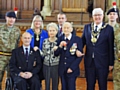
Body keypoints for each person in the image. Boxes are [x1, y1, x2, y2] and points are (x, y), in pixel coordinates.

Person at [81, 8, 114, 90]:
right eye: (95, 15)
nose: (97, 17)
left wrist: (111, 63)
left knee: (102, 85)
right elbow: (82, 42)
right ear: (92, 16)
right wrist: (76, 49)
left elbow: (110, 46)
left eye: (99, 15)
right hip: (89, 62)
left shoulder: (109, 29)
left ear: (103, 16)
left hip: (103, 62)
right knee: (90, 85)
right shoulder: (87, 27)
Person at [53, 22, 83, 90]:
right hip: (62, 68)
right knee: (64, 87)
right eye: (64, 28)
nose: (66, 29)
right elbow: (56, 54)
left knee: (71, 87)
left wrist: (72, 68)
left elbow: (80, 56)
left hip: (72, 69)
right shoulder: (60, 38)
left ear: (71, 29)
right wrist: (60, 46)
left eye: (68, 28)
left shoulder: (77, 39)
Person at [0, 11, 21, 89]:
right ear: (6, 18)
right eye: (9, 18)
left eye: (13, 18)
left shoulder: (17, 31)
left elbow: (18, 44)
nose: (11, 20)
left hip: (12, 57)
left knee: (10, 79)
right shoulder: (0, 29)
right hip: (1, 56)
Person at [26, 15, 48, 87]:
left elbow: (46, 44)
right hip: (31, 56)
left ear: (41, 22)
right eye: (36, 21)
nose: (37, 23)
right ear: (33, 22)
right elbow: (26, 42)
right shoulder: (28, 31)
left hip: (41, 56)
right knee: (31, 74)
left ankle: (39, 86)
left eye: (39, 21)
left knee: (40, 74)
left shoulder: (45, 33)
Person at [41, 23, 59, 90]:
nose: (51, 32)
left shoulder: (58, 41)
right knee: (47, 83)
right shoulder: (45, 41)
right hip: (46, 65)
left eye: (53, 30)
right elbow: (43, 53)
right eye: (50, 30)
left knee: (55, 83)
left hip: (56, 65)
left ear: (56, 31)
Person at [107, 7, 120, 90]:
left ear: (117, 16)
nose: (112, 16)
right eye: (110, 14)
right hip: (105, 58)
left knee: (117, 79)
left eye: (114, 14)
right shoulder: (104, 28)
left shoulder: (119, 29)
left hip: (117, 59)